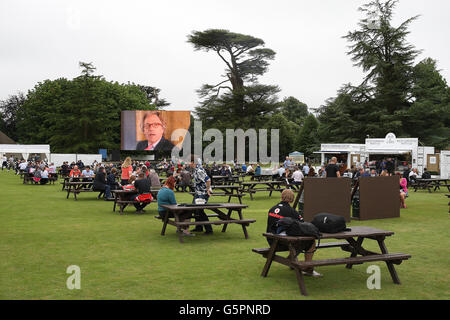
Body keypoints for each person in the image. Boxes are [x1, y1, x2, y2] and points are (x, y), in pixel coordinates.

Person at [266, 189, 322, 277]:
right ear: (292, 199)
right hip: (281, 242)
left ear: (282, 197)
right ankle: (308, 268)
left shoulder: (272, 209)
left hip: (271, 240)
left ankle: (292, 260)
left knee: (296, 239)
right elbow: (303, 224)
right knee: (310, 242)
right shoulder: (291, 211)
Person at [190, 162, 213, 234]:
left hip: (203, 193)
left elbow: (208, 180)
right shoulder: (195, 170)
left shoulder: (199, 170)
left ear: (192, 162)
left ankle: (209, 229)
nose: (187, 164)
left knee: (200, 210)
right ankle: (199, 227)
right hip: (198, 192)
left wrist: (208, 190)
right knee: (194, 209)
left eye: (188, 162)